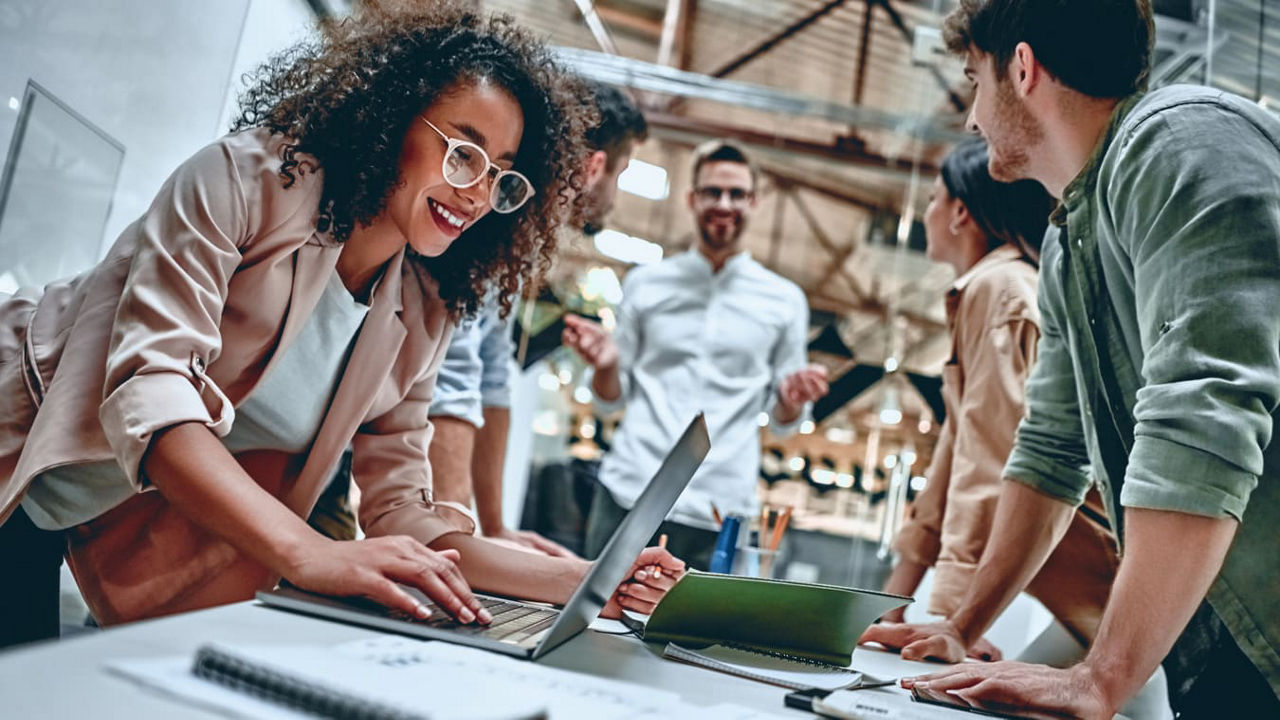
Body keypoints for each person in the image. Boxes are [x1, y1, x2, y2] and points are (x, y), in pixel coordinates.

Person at [0, 3, 680, 649]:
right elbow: (154, 397)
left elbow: (403, 513)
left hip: (92, 513)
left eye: (501, 175)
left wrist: (589, 581)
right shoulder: (242, 182)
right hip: (15, 451)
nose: (477, 193)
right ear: (391, 120)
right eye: (463, 153)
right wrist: (312, 553)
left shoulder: (421, 308)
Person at [861, 1, 1280, 717]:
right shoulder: (1066, 242)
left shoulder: (1182, 141)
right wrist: (960, 628)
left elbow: (1203, 417)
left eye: (973, 81)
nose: (970, 119)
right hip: (1220, 638)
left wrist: (1103, 676)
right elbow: (1050, 451)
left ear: (1020, 69)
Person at [878, 137, 1120, 661]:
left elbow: (991, 458)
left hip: (1098, 577)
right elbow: (952, 459)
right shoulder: (988, 289)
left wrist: (955, 620)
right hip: (1075, 581)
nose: (927, 212)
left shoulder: (1000, 290)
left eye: (932, 199)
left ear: (961, 211)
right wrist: (890, 603)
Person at [563, 140, 830, 570]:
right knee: (596, 622)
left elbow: (785, 424)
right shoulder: (646, 283)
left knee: (697, 636)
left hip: (720, 507)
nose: (724, 204)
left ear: (754, 201)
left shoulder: (785, 301)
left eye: (737, 194)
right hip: (631, 490)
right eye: (712, 192)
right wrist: (608, 365)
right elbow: (610, 398)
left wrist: (792, 399)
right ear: (691, 199)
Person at [424, 81, 648, 556]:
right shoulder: (494, 219)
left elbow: (491, 376)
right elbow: (455, 376)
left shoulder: (523, 240)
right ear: (595, 167)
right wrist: (460, 543)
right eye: (622, 173)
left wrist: (494, 527)